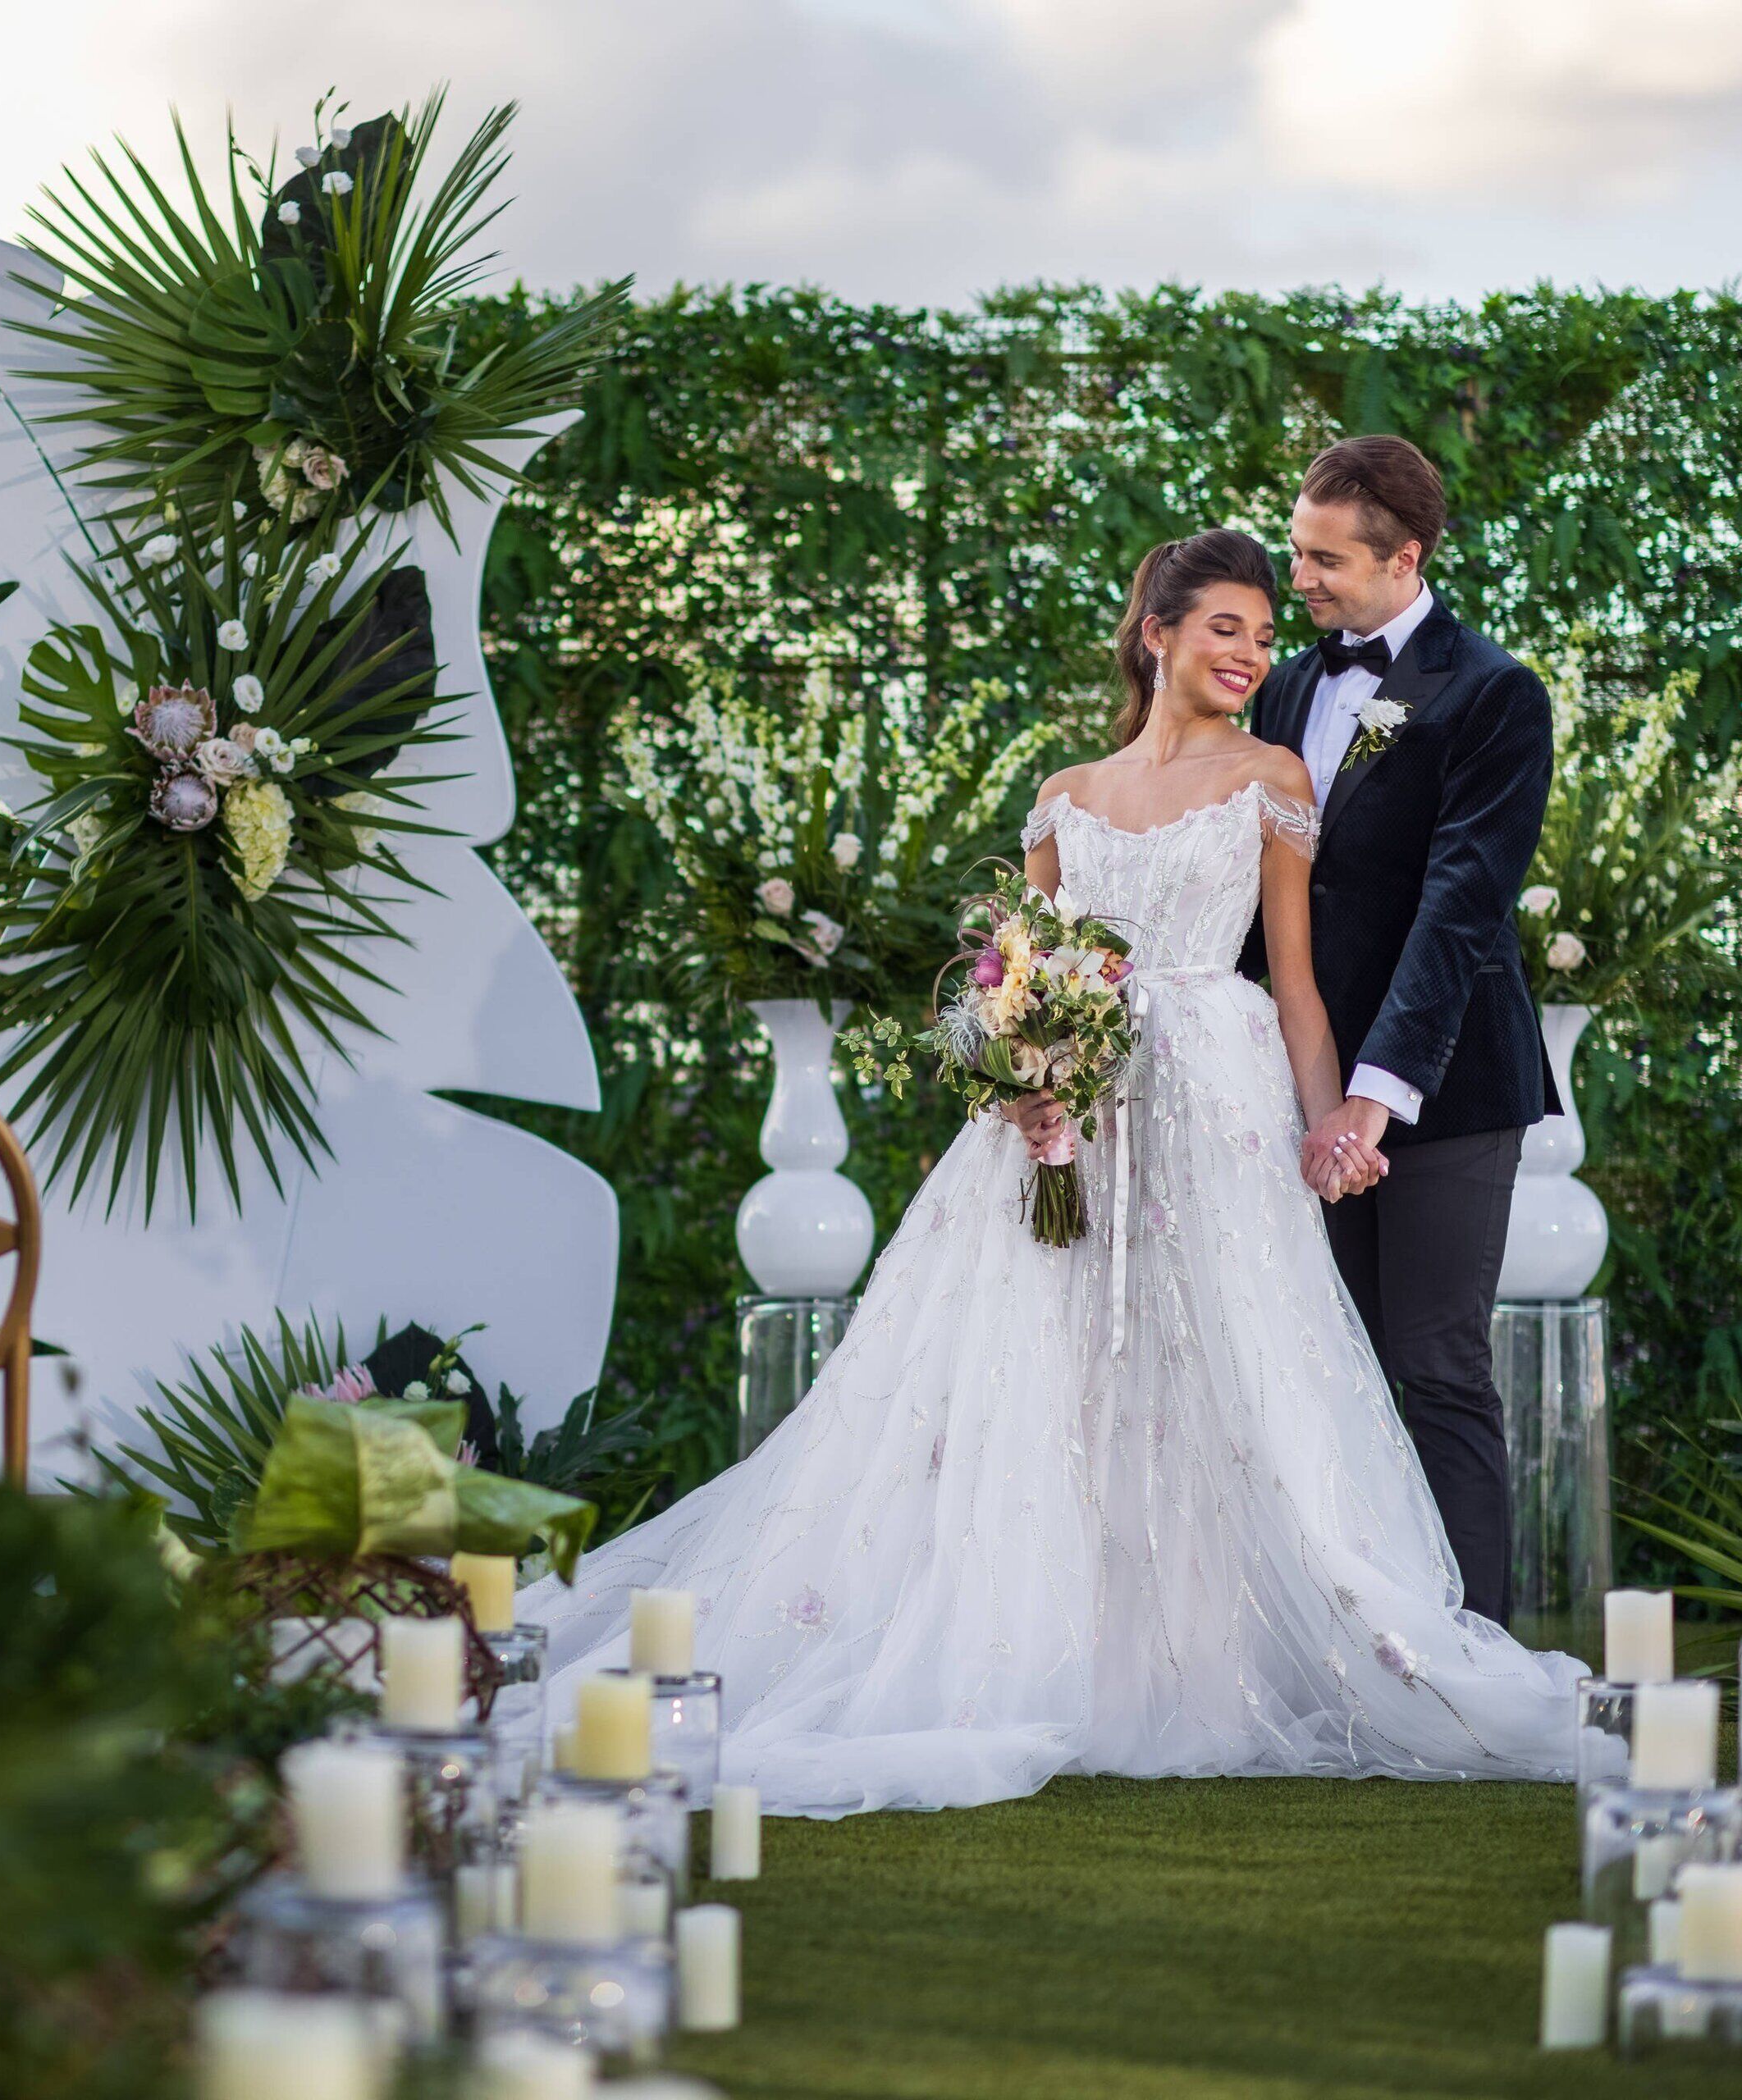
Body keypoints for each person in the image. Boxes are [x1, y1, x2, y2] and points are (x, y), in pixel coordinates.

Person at [515, 527, 1577, 1819]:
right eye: (1225, 627)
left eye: (1261, 628)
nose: (1252, 650)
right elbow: (1006, 977)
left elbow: (1295, 988)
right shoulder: (1064, 796)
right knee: (1051, 1366)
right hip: (1072, 1119)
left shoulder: (1278, 774)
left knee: (1226, 1369)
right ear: (1158, 635)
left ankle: (1210, 1643)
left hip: (1221, 1111)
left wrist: (1332, 1129)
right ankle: (1045, 1641)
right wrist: (1013, 1068)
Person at [1237, 435, 1561, 1628]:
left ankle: (1476, 1650)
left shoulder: (1491, 693)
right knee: (1331, 1367)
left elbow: (1461, 904)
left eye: (1325, 560)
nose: (1301, 581)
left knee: (1437, 1363)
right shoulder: (1285, 686)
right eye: (1297, 551)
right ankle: (1360, 1638)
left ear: (1405, 557)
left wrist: (1374, 1095)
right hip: (1298, 1082)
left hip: (1445, 1087)